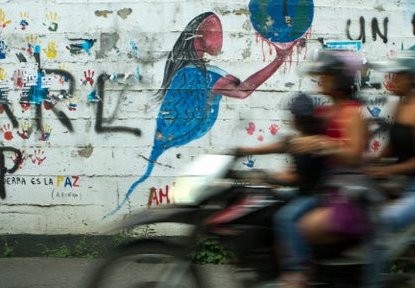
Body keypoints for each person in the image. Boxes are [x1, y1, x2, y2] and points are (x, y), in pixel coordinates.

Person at [108, 11, 292, 216]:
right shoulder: (196, 74)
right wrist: (279, 60)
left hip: (176, 151)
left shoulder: (198, 70)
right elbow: (243, 90)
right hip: (175, 153)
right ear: (198, 36)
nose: (220, 36)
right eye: (215, 30)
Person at [267, 51, 370, 288]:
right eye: (320, 75)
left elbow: (354, 154)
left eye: (325, 75)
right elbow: (301, 137)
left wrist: (322, 144)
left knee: (291, 223)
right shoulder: (328, 111)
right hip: (327, 192)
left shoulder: (353, 113)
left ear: (340, 78)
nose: (320, 80)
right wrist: (248, 151)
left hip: (347, 198)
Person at [344, 51, 415, 288]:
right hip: (397, 184)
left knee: (379, 221)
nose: (392, 78)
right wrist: (370, 161)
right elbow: (393, 147)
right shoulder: (399, 104)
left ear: (412, 78)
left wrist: (387, 172)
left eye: (397, 74)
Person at [234, 92, 327, 279]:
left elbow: (296, 178)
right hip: (302, 193)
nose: (292, 118)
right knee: (264, 205)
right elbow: (278, 146)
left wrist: (268, 178)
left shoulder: (311, 142)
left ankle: (297, 269)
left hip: (314, 196)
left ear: (300, 118)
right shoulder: (299, 138)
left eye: (294, 115)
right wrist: (243, 151)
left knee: (284, 218)